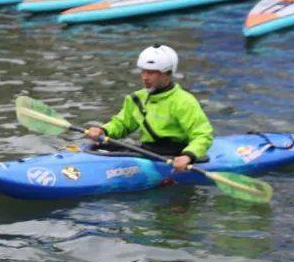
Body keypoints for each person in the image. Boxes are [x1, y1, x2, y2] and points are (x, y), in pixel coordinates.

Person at [85, 44, 214, 172]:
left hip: (175, 155)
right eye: (143, 71)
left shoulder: (184, 101)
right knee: (103, 146)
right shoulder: (136, 98)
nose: (145, 77)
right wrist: (103, 130)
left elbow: (203, 135)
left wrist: (188, 156)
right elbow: (122, 124)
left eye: (151, 72)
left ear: (167, 74)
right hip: (148, 151)